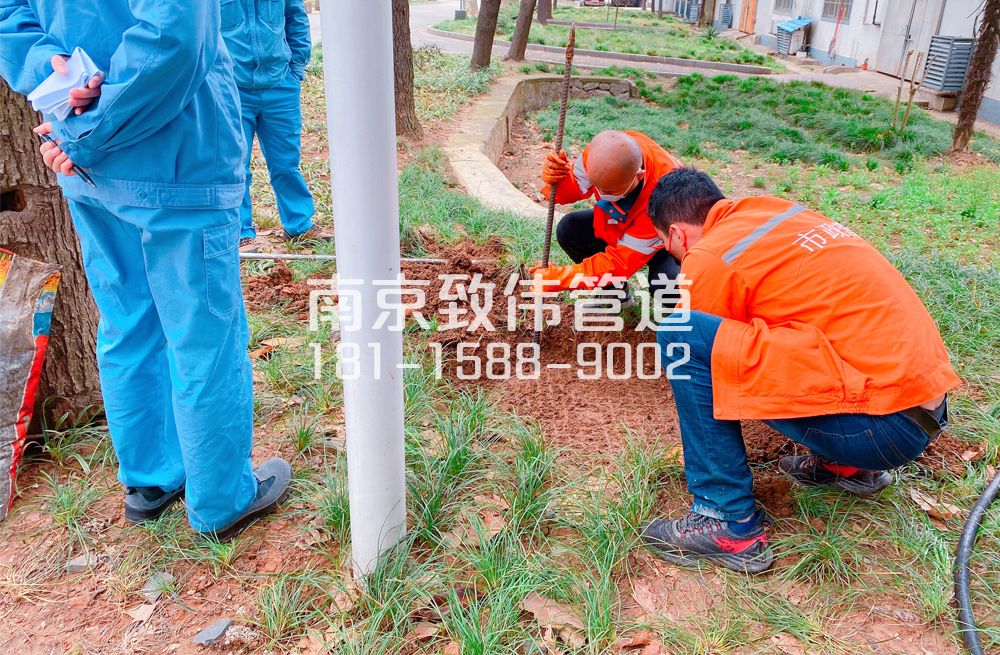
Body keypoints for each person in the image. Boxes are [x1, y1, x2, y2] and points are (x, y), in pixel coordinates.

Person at [0, 0, 291, 541]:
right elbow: (176, 30)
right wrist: (88, 128)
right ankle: (221, 500)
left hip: (85, 165)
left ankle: (150, 479)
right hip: (177, 157)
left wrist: (55, 79)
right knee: (203, 335)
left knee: (127, 320)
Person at [642, 168, 960, 573]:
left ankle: (725, 519)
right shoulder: (775, 212)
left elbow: (712, 364)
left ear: (676, 234)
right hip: (922, 406)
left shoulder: (708, 256)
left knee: (682, 334)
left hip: (880, 429)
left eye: (668, 247)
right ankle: (845, 467)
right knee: (789, 329)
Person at [220, 0, 326, 253]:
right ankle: (240, 233)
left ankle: (299, 224)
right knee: (235, 166)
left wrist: (295, 70)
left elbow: (296, 19)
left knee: (286, 164)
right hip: (233, 90)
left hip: (281, 87)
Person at [530, 130, 683, 303]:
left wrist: (563, 277)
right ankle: (615, 294)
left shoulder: (664, 195)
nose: (602, 195)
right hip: (623, 222)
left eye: (610, 191)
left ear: (638, 176)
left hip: (667, 241)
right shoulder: (598, 154)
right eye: (597, 187)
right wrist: (559, 178)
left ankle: (688, 317)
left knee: (669, 284)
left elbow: (620, 262)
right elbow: (572, 189)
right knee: (570, 229)